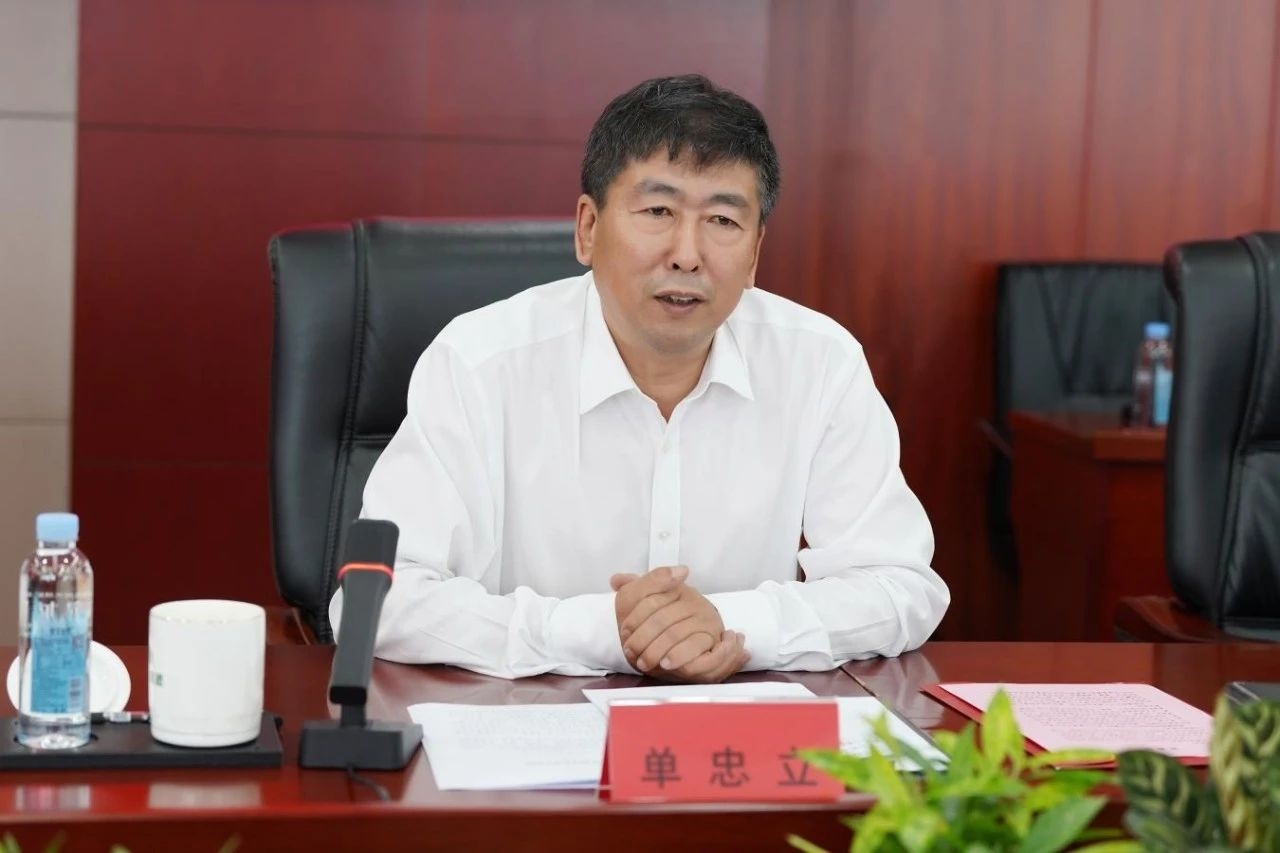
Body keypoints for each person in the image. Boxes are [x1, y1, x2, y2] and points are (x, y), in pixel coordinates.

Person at [329, 74, 949, 681]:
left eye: (723, 221)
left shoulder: (819, 363)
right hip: (530, 723)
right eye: (658, 210)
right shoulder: (480, 363)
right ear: (588, 228)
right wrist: (605, 632)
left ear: (755, 254)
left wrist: (734, 626)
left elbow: (901, 586)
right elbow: (378, 600)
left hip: (739, 727)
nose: (687, 255)